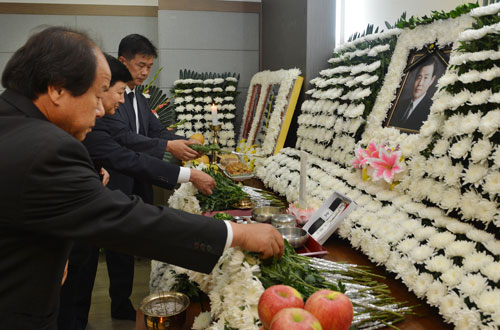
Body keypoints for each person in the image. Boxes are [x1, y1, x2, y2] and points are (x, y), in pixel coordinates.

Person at [0, 26, 284, 330]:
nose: (100, 110)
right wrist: (235, 234)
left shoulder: (13, 122)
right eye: (97, 96)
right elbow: (122, 220)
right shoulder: (46, 148)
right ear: (57, 89)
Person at [89, 35, 216, 321]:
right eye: (140, 65)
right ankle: (119, 303)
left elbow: (155, 132)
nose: (145, 72)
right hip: (117, 176)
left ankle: (138, 294)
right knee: (119, 244)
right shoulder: (111, 97)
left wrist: (184, 142)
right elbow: (125, 139)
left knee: (136, 239)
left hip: (140, 179)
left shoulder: (138, 97)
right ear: (123, 62)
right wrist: (167, 148)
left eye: (149, 66)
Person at [388, 57, 437, 131]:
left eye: (426, 78)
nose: (420, 83)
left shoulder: (432, 109)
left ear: (432, 80)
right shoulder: (399, 104)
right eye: (419, 77)